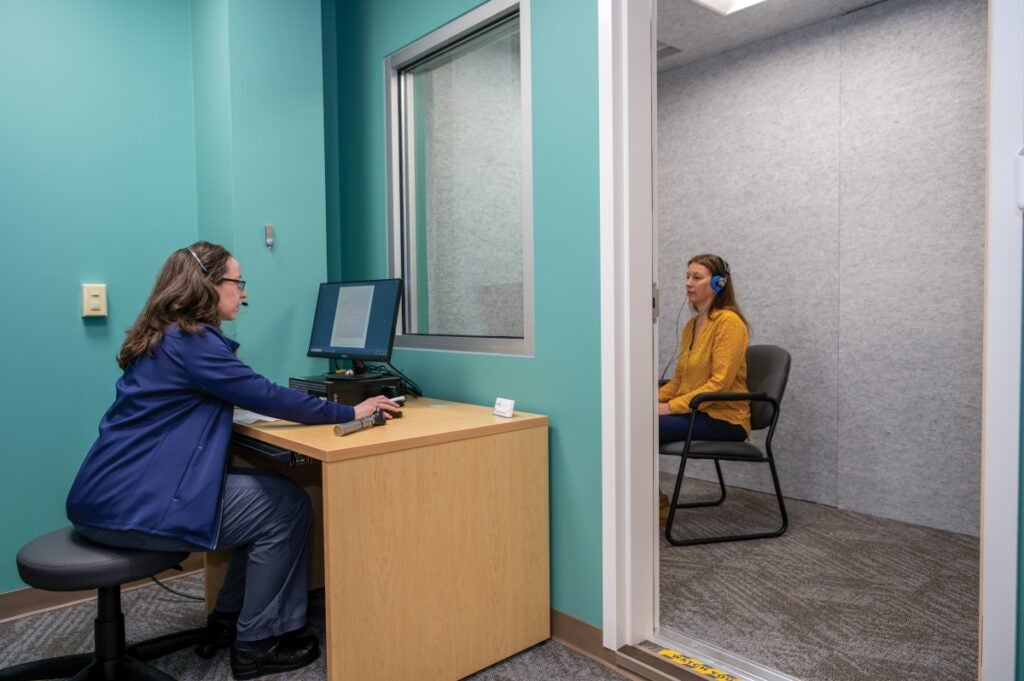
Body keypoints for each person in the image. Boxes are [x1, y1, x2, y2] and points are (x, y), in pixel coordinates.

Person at [66, 241, 400, 680]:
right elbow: (265, 394)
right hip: (135, 505)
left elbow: (233, 395)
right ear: (208, 284)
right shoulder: (192, 340)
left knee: (267, 496)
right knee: (286, 507)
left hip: (106, 495)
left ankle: (227, 621)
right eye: (237, 282)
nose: (242, 293)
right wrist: (350, 411)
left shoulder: (164, 335)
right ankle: (257, 643)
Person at [658, 254, 750, 525]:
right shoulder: (691, 325)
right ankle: (645, 499)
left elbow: (718, 383)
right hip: (698, 412)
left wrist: (669, 407)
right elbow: (678, 380)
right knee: (634, 418)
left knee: (642, 428)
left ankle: (655, 503)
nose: (688, 283)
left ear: (719, 284)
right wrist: (647, 400)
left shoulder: (729, 323)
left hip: (724, 417)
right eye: (687, 276)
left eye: (696, 277)